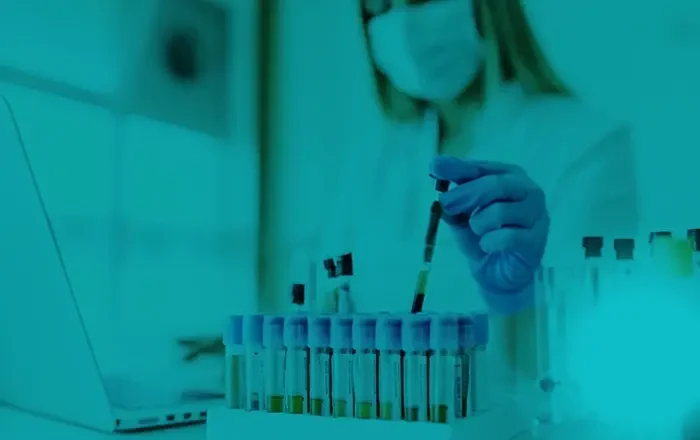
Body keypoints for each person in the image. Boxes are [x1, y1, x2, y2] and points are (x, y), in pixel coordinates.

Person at [317, 0, 638, 433]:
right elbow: (328, 308)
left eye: (419, 0)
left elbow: (591, 362)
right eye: (381, 7)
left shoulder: (584, 144)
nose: (403, 24)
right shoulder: (372, 160)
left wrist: (517, 300)